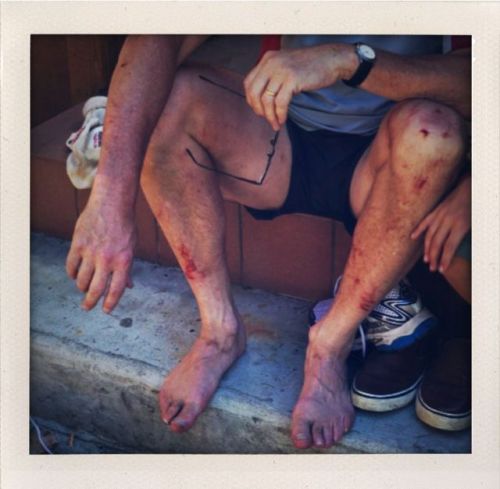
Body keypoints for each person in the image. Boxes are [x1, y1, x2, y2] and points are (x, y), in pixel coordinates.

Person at [65, 35, 471, 449]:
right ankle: (219, 333)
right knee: (166, 99)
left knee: (433, 130)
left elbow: (477, 76)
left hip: (388, 152)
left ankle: (329, 347)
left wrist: (348, 61)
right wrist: (111, 195)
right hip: (280, 135)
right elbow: (159, 34)